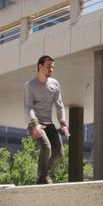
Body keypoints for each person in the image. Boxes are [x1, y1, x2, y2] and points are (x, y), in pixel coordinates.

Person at [24, 55, 69, 184]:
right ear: (40, 66)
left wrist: (63, 123)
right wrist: (35, 124)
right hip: (34, 123)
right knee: (46, 147)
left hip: (49, 124)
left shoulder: (55, 84)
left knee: (60, 153)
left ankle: (43, 172)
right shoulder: (30, 86)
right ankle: (43, 178)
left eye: (52, 67)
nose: (51, 70)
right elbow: (28, 107)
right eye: (48, 67)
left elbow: (59, 105)